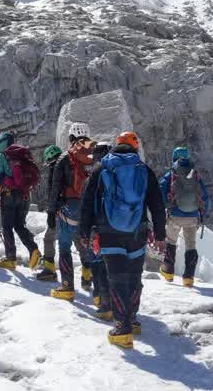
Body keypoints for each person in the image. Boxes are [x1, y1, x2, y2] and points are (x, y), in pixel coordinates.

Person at [78, 130, 166, 350]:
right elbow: (157, 203)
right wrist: (161, 235)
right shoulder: (144, 170)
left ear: (116, 146)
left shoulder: (102, 168)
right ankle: (133, 320)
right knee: (134, 277)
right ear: (135, 148)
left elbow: (87, 202)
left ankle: (122, 328)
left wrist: (84, 232)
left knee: (116, 279)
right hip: (138, 232)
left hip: (109, 233)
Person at [48, 123, 106, 304]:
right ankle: (99, 295)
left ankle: (67, 287)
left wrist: (51, 211)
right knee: (92, 248)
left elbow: (55, 186)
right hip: (94, 208)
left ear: (71, 138)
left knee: (64, 246)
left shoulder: (65, 157)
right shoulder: (97, 155)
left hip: (70, 207)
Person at [0, 132, 41, 269]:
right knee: (19, 225)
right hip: (23, 195)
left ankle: (10, 258)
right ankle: (33, 249)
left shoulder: (1, 157)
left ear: (2, 143)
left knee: (7, 227)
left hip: (9, 196)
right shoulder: (22, 156)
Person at [159, 146, 211, 287]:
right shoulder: (195, 175)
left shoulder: (171, 174)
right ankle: (188, 278)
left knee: (171, 242)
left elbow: (161, 192)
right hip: (193, 216)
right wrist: (201, 213)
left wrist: (166, 205)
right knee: (191, 246)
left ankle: (168, 272)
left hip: (175, 214)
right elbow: (205, 197)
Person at [34, 144, 64, 282]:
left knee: (49, 238)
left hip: (58, 209)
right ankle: (87, 275)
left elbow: (54, 191)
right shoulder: (68, 165)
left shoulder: (55, 168)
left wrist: (52, 211)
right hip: (73, 208)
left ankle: (49, 269)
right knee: (77, 240)